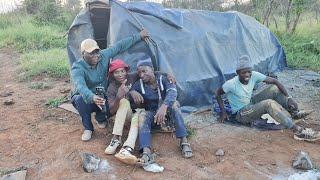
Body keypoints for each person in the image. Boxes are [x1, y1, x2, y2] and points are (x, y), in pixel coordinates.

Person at [215, 55, 319, 141]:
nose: (247, 74)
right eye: (243, 72)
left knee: (273, 88)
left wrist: (289, 97)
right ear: (238, 73)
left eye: (249, 71)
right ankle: (298, 131)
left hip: (250, 102)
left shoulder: (253, 75)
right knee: (268, 104)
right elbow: (217, 93)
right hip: (241, 113)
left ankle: (294, 112)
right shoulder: (231, 84)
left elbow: (275, 81)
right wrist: (224, 112)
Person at [71, 29, 149, 141]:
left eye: (96, 52)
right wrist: (92, 97)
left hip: (101, 93)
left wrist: (139, 36)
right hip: (86, 96)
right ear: (83, 54)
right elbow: (80, 86)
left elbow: (119, 46)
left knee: (111, 101)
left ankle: (100, 118)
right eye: (91, 53)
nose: (95, 55)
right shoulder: (78, 67)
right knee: (79, 100)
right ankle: (88, 128)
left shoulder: (103, 56)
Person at [104, 59, 177, 165]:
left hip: (138, 114)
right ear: (112, 74)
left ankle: (127, 149)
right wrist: (118, 97)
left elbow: (150, 73)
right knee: (124, 102)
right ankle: (115, 139)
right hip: (123, 117)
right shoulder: (112, 88)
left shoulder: (132, 77)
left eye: (122, 71)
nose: (120, 75)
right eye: (116, 72)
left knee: (138, 115)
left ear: (126, 71)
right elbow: (110, 111)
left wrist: (167, 74)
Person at [131, 57, 193, 165]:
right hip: (154, 117)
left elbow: (173, 93)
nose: (141, 75)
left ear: (152, 69)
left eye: (144, 71)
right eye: (139, 72)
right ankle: (146, 151)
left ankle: (184, 141)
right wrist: (132, 92)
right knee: (142, 115)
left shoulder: (164, 78)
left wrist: (164, 107)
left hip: (168, 116)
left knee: (174, 105)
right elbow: (127, 90)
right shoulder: (139, 84)